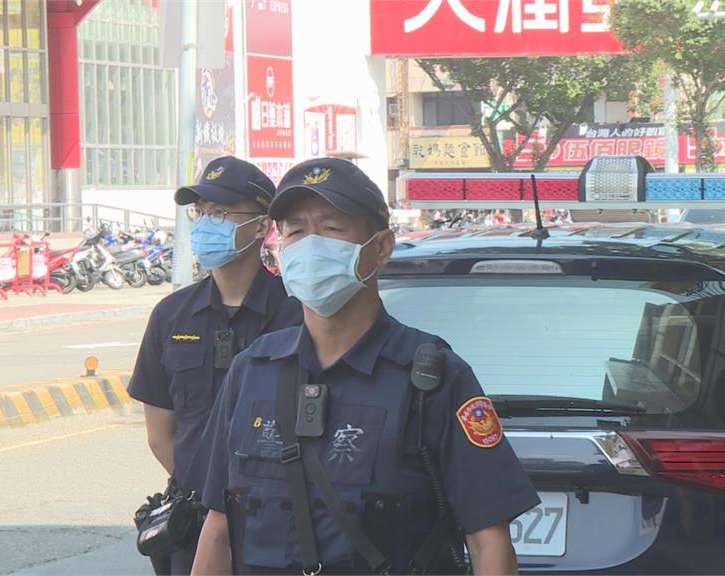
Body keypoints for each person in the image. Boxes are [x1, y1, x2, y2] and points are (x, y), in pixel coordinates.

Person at [191, 158, 539, 575]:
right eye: (296, 231)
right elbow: (218, 529)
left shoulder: (434, 379)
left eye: (332, 228)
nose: (311, 244)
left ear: (380, 247)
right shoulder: (252, 371)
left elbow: (488, 542)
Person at [128, 156, 303, 576]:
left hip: (284, 522)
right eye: (201, 211)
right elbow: (160, 435)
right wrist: (211, 496)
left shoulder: (297, 315)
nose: (207, 223)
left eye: (221, 212)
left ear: (262, 227)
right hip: (194, 524)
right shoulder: (172, 316)